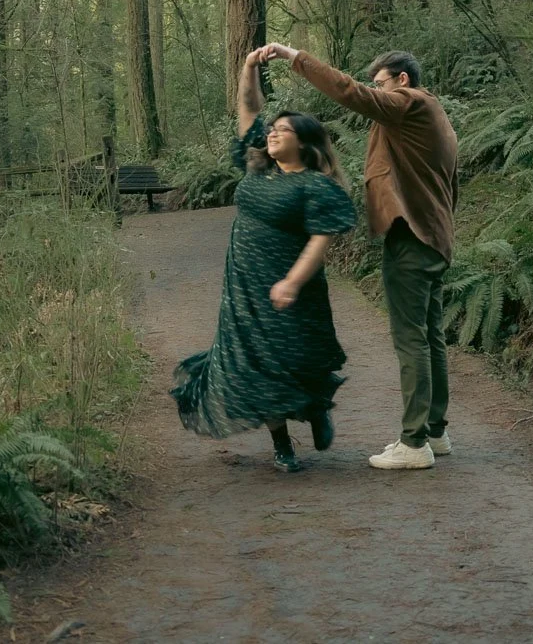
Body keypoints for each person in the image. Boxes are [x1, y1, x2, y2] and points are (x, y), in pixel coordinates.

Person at [261, 44, 458, 471]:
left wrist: (293, 56)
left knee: (412, 341)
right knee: (430, 337)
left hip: (414, 236)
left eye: (381, 82)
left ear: (402, 81)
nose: (376, 90)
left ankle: (414, 442)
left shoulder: (409, 103)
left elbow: (352, 94)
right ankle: (435, 432)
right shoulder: (437, 118)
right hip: (434, 236)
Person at [171, 47, 357, 472]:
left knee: (297, 356)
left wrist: (292, 282)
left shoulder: (316, 186)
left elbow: (319, 242)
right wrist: (248, 68)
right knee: (255, 362)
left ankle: (314, 410)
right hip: (244, 287)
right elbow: (250, 108)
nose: (272, 134)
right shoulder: (258, 165)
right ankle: (281, 445)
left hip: (293, 285)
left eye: (283, 130)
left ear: (305, 143)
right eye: (272, 129)